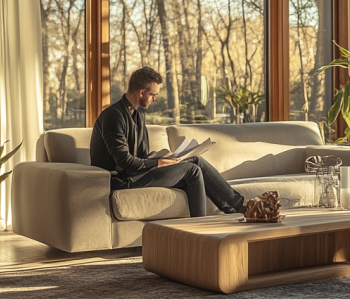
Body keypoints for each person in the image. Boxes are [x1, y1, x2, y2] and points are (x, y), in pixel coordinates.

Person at [90, 67, 245, 217]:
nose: (155, 99)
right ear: (141, 92)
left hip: (136, 172)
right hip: (122, 179)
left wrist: (164, 158)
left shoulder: (137, 114)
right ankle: (207, 223)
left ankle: (236, 209)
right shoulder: (114, 116)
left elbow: (141, 155)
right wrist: (158, 163)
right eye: (153, 95)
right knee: (192, 171)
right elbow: (124, 162)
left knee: (195, 160)